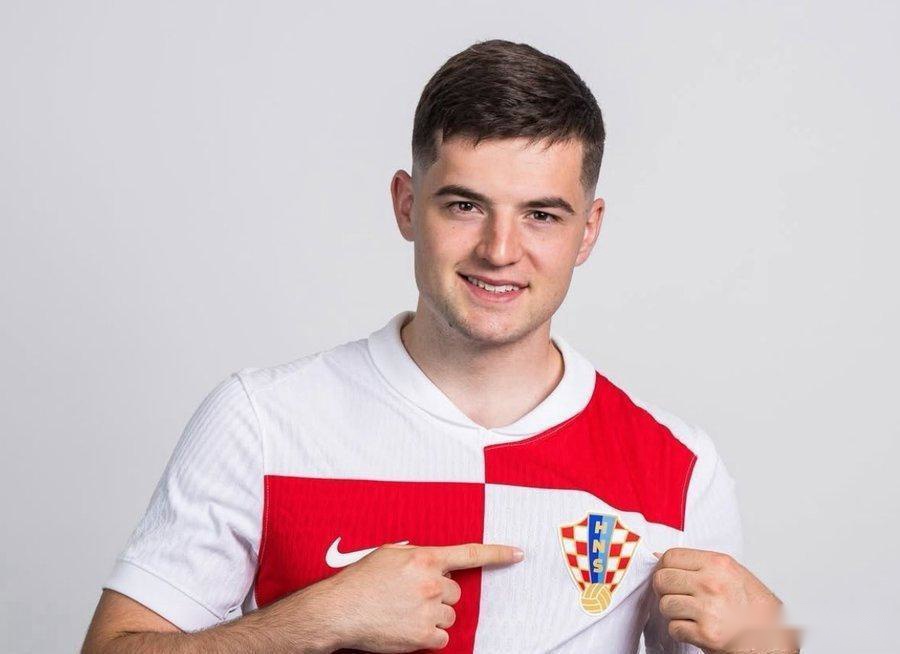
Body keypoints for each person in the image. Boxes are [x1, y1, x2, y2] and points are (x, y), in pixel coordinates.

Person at [82, 39, 800, 654]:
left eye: (542, 215)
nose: (499, 249)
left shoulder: (678, 468)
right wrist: (314, 620)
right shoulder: (261, 422)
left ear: (588, 230)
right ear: (406, 204)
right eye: (464, 205)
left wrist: (765, 646)